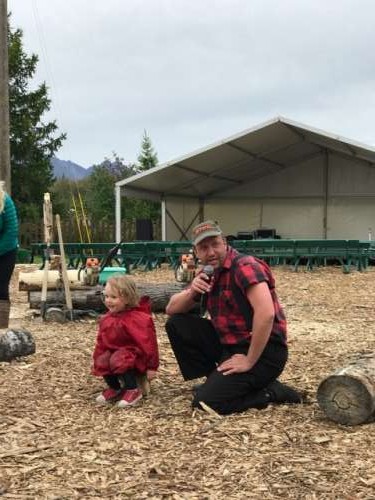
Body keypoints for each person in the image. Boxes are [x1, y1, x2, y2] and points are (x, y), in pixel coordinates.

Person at [165, 220, 302, 415]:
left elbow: (266, 314)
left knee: (206, 403)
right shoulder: (207, 273)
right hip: (230, 345)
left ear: (225, 242)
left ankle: (270, 392)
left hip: (265, 352)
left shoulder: (245, 266)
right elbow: (171, 309)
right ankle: (214, 378)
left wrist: (249, 360)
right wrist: (192, 291)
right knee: (178, 324)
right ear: (196, 252)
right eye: (204, 248)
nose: (211, 252)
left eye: (215, 244)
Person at [92, 275, 159, 408]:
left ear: (127, 298)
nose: (108, 301)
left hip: (135, 357)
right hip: (116, 355)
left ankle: (132, 389)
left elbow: (148, 344)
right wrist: (96, 358)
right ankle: (115, 387)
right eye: (106, 296)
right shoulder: (107, 319)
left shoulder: (138, 319)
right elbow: (101, 341)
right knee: (102, 360)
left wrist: (152, 367)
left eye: (113, 297)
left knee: (120, 358)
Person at [0, 181, 19, 333]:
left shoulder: (5, 201)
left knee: (1, 287)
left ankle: (1, 328)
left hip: (6, 251)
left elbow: (11, 232)